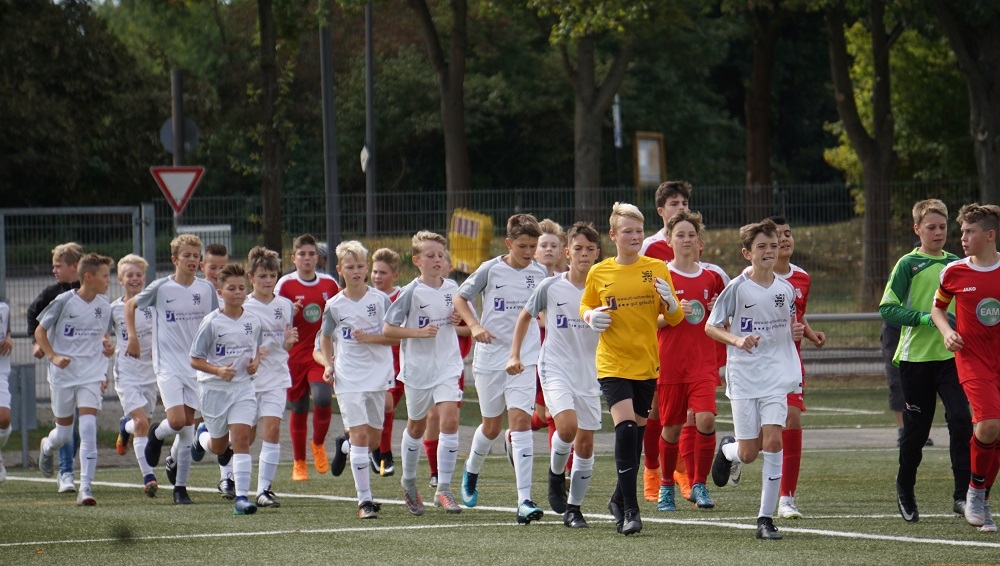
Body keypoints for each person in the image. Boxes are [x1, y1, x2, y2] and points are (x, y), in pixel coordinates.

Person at [580, 202, 684, 536]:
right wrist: (589, 316)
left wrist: (671, 302)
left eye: (639, 230)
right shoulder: (600, 272)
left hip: (646, 364)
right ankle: (630, 510)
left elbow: (675, 318)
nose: (635, 236)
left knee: (636, 439)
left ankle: (616, 499)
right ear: (613, 236)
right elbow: (586, 303)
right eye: (627, 231)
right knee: (625, 430)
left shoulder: (657, 268)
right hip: (612, 363)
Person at [706, 219, 804, 540]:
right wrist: (736, 340)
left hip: (776, 375)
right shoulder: (737, 288)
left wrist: (796, 331)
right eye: (762, 246)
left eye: (773, 246)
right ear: (747, 253)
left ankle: (765, 519)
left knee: (774, 441)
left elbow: (786, 324)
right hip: (745, 376)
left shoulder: (785, 289)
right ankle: (728, 451)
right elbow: (711, 326)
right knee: (749, 453)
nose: (769, 251)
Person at [879, 199, 971, 523]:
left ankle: (962, 496)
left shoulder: (957, 264)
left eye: (942, 227)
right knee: (917, 431)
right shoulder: (908, 264)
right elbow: (887, 308)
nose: (938, 232)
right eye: (931, 227)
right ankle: (905, 487)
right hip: (916, 359)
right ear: (917, 229)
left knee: (961, 420)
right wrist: (925, 318)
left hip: (950, 357)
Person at [508, 221, 602, 528]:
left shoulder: (604, 288)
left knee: (586, 445)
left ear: (597, 253)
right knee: (567, 427)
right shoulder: (550, 286)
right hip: (555, 366)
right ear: (567, 253)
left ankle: (574, 509)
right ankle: (555, 473)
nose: (584, 254)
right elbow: (525, 316)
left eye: (590, 249)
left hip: (590, 371)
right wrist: (515, 354)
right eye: (578, 248)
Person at [455, 214, 548, 524]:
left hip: (524, 358)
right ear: (509, 243)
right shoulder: (490, 269)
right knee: (492, 427)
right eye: (522, 246)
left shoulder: (540, 272)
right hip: (490, 359)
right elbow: (460, 298)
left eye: (533, 246)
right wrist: (474, 325)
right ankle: (471, 470)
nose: (528, 252)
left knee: (520, 423)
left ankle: (524, 500)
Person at [126, 234, 219, 505]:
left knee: (188, 428)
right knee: (177, 422)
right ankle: (156, 434)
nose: (192, 260)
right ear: (174, 259)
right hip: (167, 365)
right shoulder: (161, 288)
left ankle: (180, 488)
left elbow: (216, 322)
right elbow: (131, 305)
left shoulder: (206, 290)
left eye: (196, 255)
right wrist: (132, 337)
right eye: (186, 255)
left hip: (196, 366)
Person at [383, 232, 465, 515]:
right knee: (416, 427)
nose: (437, 260)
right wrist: (418, 332)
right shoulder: (410, 292)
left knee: (450, 420)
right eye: (430, 256)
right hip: (418, 370)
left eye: (440, 255)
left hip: (448, 365)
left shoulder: (453, 287)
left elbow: (463, 320)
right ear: (417, 260)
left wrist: (457, 319)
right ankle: (408, 482)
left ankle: (444, 488)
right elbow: (388, 329)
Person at [932, 203, 1000, 533]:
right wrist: (947, 332)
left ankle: (983, 500)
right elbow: (938, 309)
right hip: (973, 359)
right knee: (988, 423)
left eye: (970, 232)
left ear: (990, 235)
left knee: (997, 433)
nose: (962, 237)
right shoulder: (954, 272)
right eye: (962, 232)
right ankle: (974, 491)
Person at [318, 241, 396, 518]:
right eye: (349, 267)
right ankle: (365, 501)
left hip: (378, 375)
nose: (356, 271)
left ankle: (344, 445)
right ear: (340, 270)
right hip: (348, 377)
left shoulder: (380, 300)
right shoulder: (334, 305)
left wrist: (372, 338)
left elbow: (394, 336)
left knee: (373, 441)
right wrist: (329, 364)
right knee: (361, 436)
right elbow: (325, 337)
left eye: (360, 266)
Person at [655, 211, 726, 512]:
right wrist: (673, 313)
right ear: (669, 240)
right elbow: (650, 321)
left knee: (706, 419)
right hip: (670, 363)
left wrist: (719, 309)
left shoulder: (711, 278)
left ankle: (700, 484)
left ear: (700, 242)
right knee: (671, 428)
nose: (686, 240)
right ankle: (666, 486)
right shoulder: (661, 277)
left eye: (691, 235)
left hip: (702, 362)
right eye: (680, 235)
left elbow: (724, 320)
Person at [35, 253, 114, 506]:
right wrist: (53, 356)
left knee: (88, 427)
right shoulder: (64, 301)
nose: (109, 280)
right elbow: (40, 331)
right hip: (63, 375)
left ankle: (86, 488)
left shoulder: (104, 305)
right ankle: (47, 447)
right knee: (63, 433)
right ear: (88, 277)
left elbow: (101, 335)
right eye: (105, 276)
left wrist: (107, 347)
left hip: (91, 374)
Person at [189, 263, 263, 515]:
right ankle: (201, 436)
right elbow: (195, 359)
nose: (238, 292)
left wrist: (255, 363)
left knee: (242, 439)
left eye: (241, 287)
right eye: (232, 288)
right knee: (219, 446)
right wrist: (218, 370)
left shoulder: (253, 321)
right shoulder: (211, 322)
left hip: (243, 388)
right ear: (221, 292)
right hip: (214, 390)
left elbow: (256, 350)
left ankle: (241, 498)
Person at [769, 216, 826, 520]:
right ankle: (733, 450)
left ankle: (787, 498)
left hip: (790, 363)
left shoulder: (802, 278)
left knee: (791, 420)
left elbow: (798, 315)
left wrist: (810, 333)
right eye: (777, 235)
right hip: (761, 365)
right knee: (760, 438)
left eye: (788, 234)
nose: (784, 239)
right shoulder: (752, 279)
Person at [166, 242, 234, 497]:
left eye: (223, 267)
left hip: (222, 368)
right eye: (213, 267)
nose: (218, 272)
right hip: (193, 367)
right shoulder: (196, 292)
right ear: (203, 267)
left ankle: (227, 479)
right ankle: (175, 457)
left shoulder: (234, 293)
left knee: (228, 421)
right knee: (188, 422)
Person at [639, 181, 691, 502]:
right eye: (674, 203)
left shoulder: (691, 239)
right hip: (658, 337)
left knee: (685, 413)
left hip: (687, 339)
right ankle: (652, 472)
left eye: (684, 202)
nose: (680, 208)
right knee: (656, 411)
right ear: (660, 210)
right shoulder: (649, 247)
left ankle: (682, 473)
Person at [275, 234, 340, 481]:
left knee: (323, 398)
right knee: (299, 407)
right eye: (302, 254)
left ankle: (318, 444)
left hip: (319, 353)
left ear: (317, 257)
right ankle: (299, 462)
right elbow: (272, 315)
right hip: (293, 355)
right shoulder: (285, 285)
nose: (307, 258)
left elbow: (339, 313)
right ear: (294, 258)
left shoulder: (329, 284)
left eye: (311, 254)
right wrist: (286, 312)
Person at [27, 242, 84, 494]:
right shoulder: (52, 294)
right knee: (68, 425)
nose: (53, 270)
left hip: (86, 369)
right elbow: (33, 315)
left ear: (75, 266)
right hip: (61, 368)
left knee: (81, 428)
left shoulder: (89, 292)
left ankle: (49, 447)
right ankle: (66, 472)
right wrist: (37, 343)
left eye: (58, 266)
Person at [243, 246, 297, 508]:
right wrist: (252, 352)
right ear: (251, 277)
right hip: (248, 380)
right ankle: (225, 470)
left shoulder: (285, 305)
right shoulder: (243, 306)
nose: (268, 281)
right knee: (244, 438)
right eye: (262, 276)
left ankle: (264, 490)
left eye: (272, 275)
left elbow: (285, 345)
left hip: (276, 376)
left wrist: (288, 342)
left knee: (273, 430)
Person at [111, 254, 161, 497]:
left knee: (143, 424)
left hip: (151, 373)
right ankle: (148, 477)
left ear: (144, 278)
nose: (134, 279)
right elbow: (100, 334)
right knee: (141, 423)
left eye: (138, 275)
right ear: (120, 279)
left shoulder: (153, 305)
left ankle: (125, 426)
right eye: (129, 275)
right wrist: (104, 343)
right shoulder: (114, 309)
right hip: (127, 373)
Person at [369, 247, 403, 477]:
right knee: (385, 405)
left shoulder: (403, 296)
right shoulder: (366, 297)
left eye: (383, 272)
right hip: (376, 363)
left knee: (383, 411)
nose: (377, 276)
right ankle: (383, 454)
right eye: (374, 271)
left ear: (394, 275)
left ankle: (350, 442)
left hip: (402, 362)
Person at [0, 300, 13, 482]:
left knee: (3, 418)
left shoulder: (4, 308)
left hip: (1, 371)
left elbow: (6, 331)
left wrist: (9, 338)